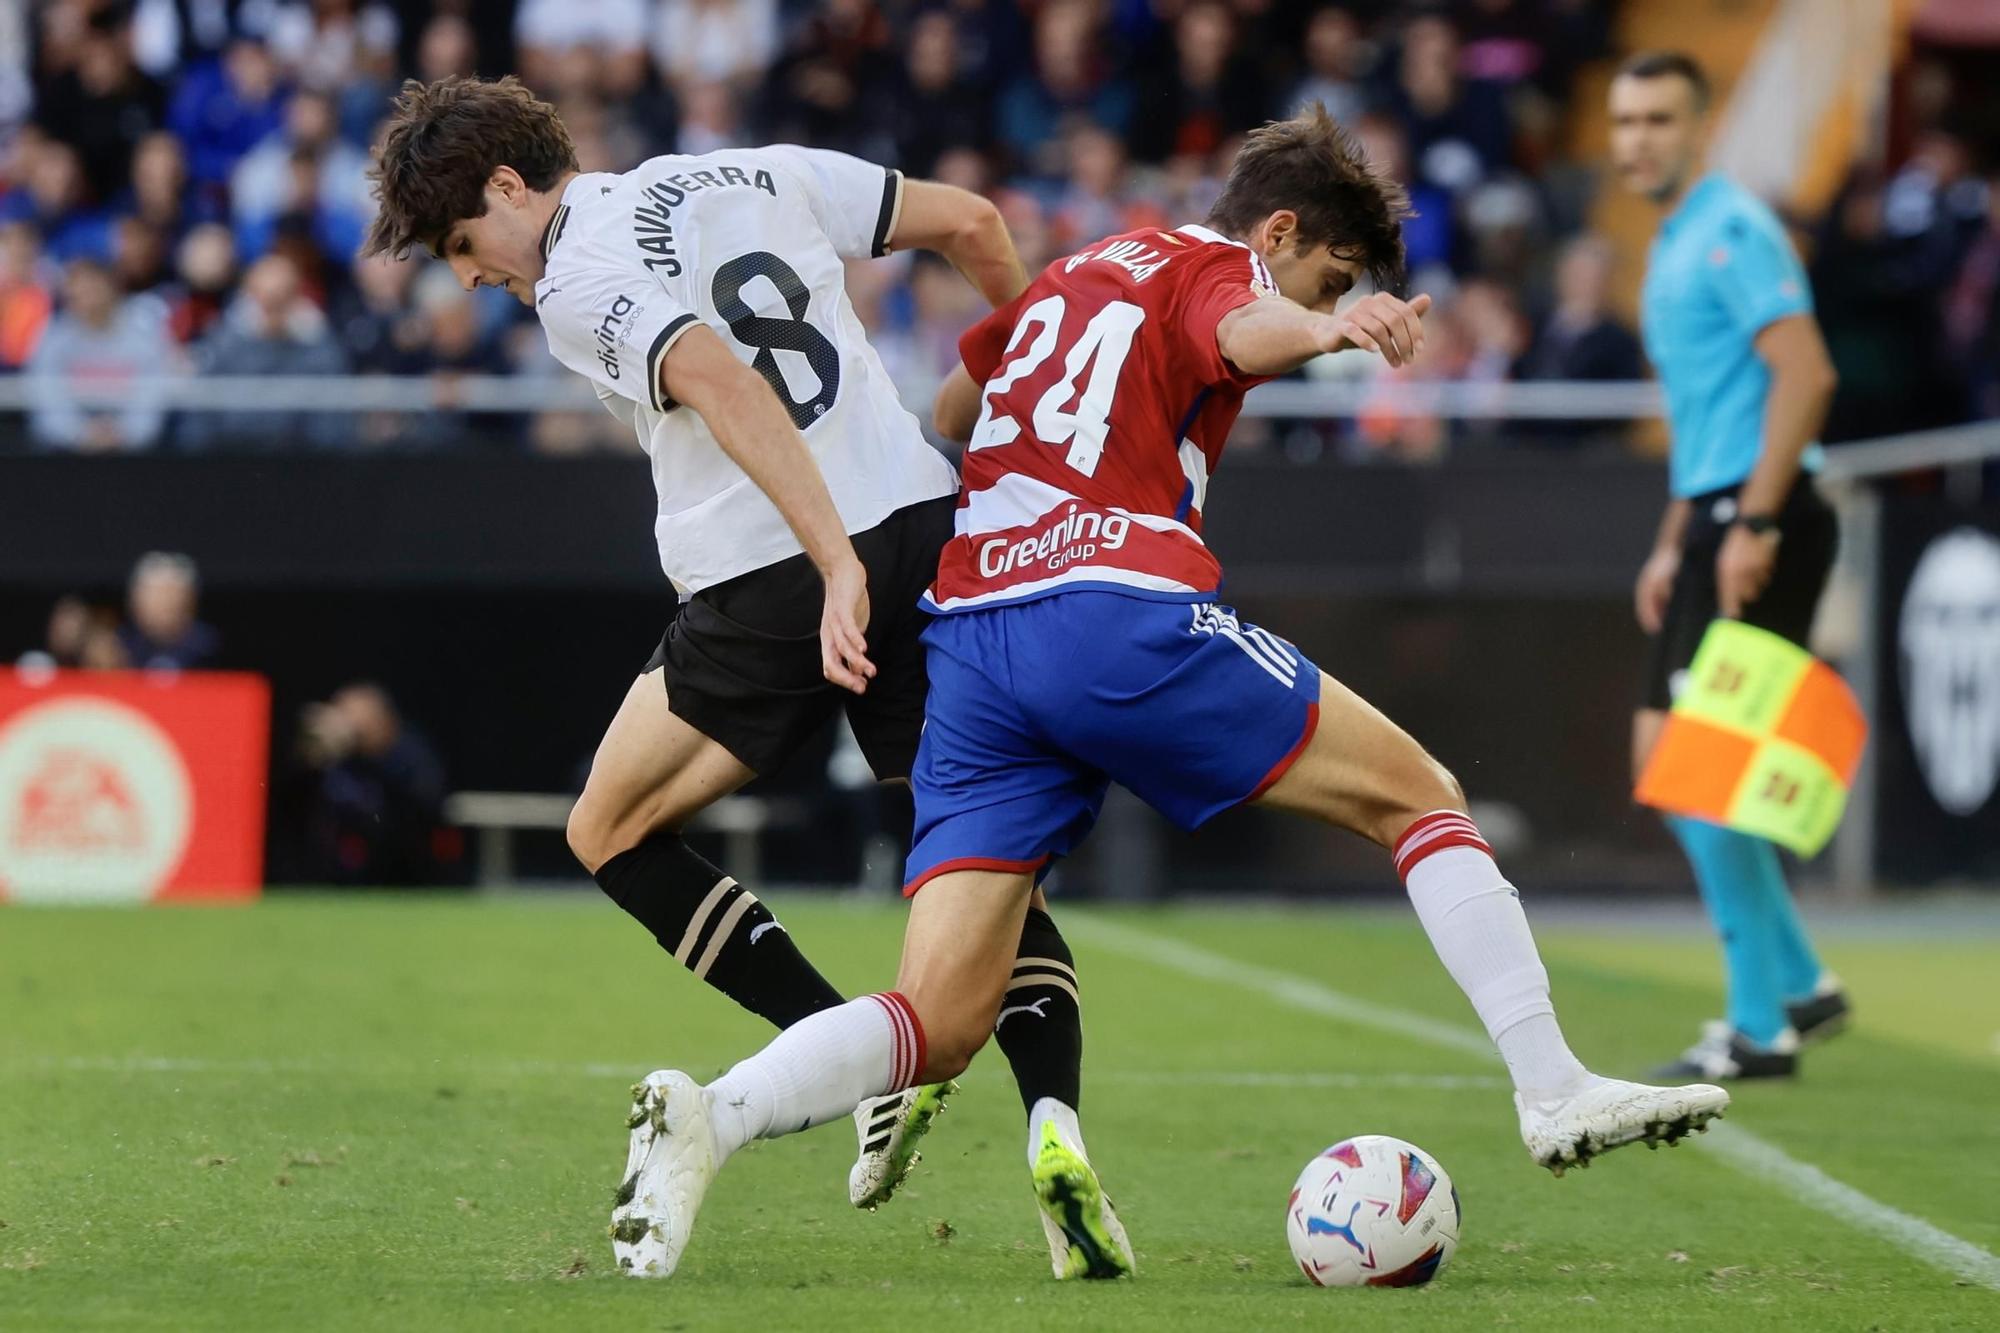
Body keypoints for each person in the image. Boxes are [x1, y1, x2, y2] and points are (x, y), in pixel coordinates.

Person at [616, 105, 1730, 1282]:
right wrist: (1329, 329)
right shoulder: (1213, 266)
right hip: (1111, 610)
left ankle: (713, 1115)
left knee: (939, 1021)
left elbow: (954, 410)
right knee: (1418, 794)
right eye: (1328, 270)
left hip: (973, 647)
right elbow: (1244, 328)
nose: (1320, 292)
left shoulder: (1070, 274)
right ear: (1283, 229)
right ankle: (1551, 1087)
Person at [362, 76, 1111, 1262]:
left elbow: (716, 376)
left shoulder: (573, 274)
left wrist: (830, 564)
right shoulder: (754, 167)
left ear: (510, 188)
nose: (466, 273)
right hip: (926, 525)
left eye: (463, 241)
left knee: (606, 826)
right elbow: (974, 222)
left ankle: (839, 1051)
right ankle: (1056, 1131)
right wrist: (1043, 417)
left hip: (774, 578)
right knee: (978, 862)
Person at [1610, 53, 1851, 1082]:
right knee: (1667, 764)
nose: (1635, 139)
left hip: (1761, 515)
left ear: (1697, 126)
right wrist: (1674, 541)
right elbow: (1713, 412)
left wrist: (1750, 523)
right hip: (1713, 515)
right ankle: (1795, 982)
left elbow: (1805, 373)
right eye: (1622, 121)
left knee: (1694, 770)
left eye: (1657, 119)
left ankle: (1761, 1024)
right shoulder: (1672, 243)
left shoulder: (1730, 231)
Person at [118, 551, 220, 671]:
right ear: (136, 602)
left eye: (172, 595)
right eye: (156, 596)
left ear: (191, 602)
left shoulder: (208, 649)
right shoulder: (119, 646)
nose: (165, 604)